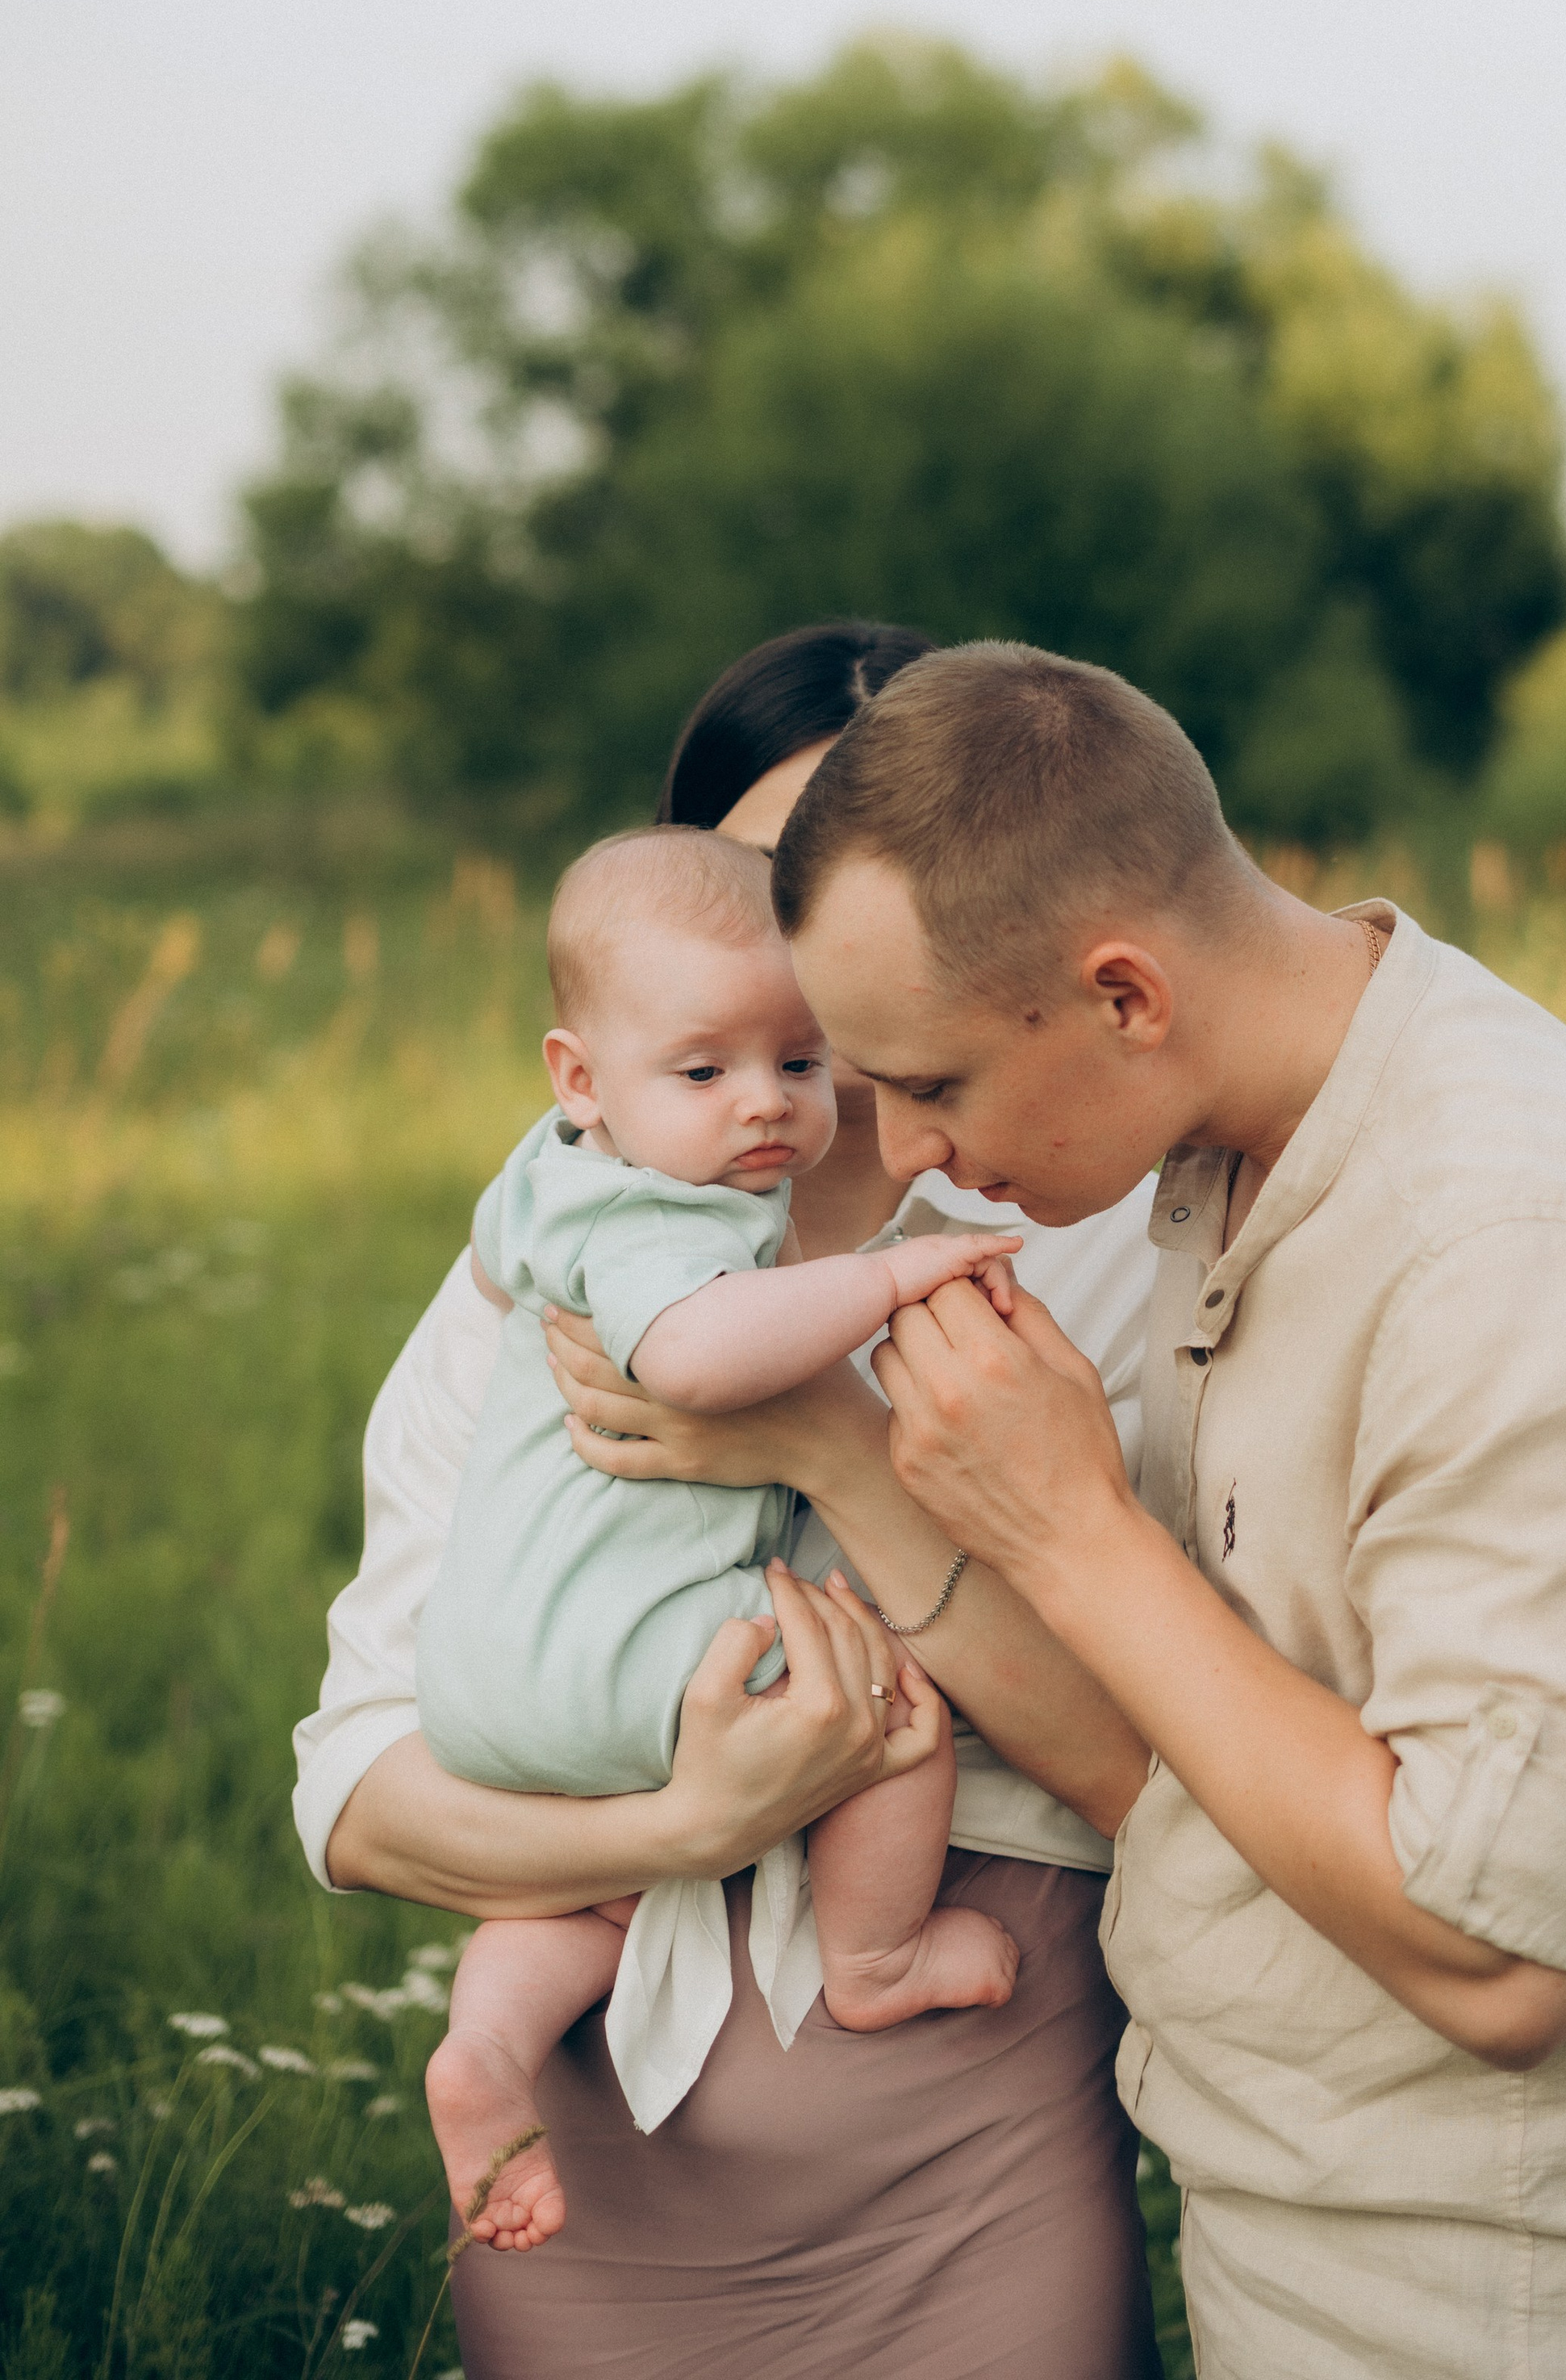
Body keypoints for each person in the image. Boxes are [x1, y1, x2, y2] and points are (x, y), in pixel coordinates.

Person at [753, 641, 1566, 2380]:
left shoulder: (1508, 1253)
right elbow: (1189, 1757)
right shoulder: (1241, 1132)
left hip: (1524, 2308)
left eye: (934, 1084)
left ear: (1125, 995)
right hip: (1306, 2249)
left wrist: (1071, 1531)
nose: (894, 1152)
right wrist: (888, 1473)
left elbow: (1503, 1952)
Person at [292, 622, 1163, 2380]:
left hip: (973, 2169)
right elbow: (361, 1794)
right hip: (598, 2178)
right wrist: (677, 1832)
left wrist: (836, 1450)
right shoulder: (553, 1267)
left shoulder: (1088, 1242)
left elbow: (1164, 1777)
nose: (818, 953)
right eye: (774, 887)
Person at [417, 826, 1024, 2255]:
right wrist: (889, 1278)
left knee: (598, 1900)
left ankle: (486, 2047)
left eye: (800, 1061)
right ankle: (877, 1959)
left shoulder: (556, 1172)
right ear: (582, 1077)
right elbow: (695, 1356)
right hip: (627, 1653)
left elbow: (515, 1257)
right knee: (885, 1706)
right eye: (705, 1073)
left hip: (491, 1671)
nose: (764, 1103)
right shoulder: (658, 1219)